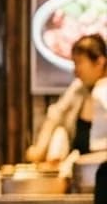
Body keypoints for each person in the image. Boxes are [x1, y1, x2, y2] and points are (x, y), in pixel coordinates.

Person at [29, 34, 107, 162]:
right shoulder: (79, 87)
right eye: (75, 63)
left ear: (99, 62)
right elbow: (55, 115)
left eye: (80, 63)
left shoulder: (103, 91)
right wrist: (40, 148)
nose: (76, 71)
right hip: (80, 168)